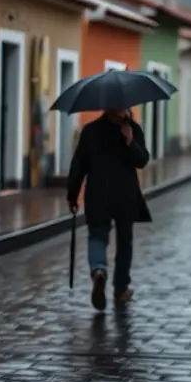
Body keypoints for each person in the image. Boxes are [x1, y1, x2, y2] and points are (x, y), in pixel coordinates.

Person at [67, 108, 151, 311]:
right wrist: (130, 142)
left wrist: (72, 194)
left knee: (97, 235)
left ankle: (98, 270)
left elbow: (78, 164)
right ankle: (120, 288)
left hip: (99, 193)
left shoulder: (90, 130)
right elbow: (142, 161)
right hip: (123, 194)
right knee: (125, 242)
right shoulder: (131, 129)